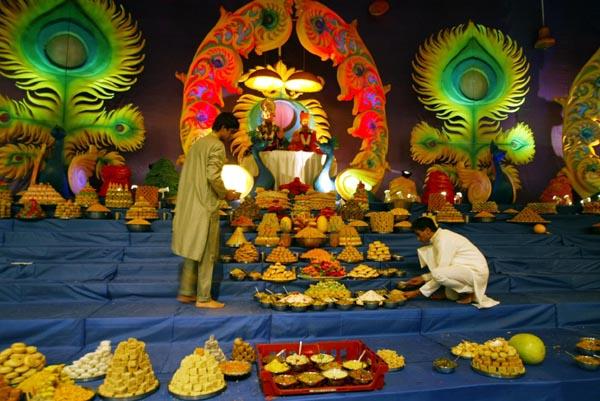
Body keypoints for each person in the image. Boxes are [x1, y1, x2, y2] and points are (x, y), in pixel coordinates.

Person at [172, 112, 240, 308]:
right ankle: (203, 297)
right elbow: (212, 176)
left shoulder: (198, 144)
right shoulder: (216, 146)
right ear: (224, 128)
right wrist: (226, 194)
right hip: (206, 205)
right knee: (208, 252)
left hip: (191, 204)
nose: (231, 137)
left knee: (194, 248)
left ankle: (186, 292)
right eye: (232, 132)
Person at [403, 217, 499, 308]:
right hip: (464, 271)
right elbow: (443, 269)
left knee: (437, 274)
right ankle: (461, 292)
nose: (418, 239)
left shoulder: (444, 240)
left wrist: (416, 293)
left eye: (418, 234)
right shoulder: (439, 238)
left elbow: (439, 272)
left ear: (427, 231)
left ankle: (470, 291)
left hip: (475, 273)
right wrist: (423, 278)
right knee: (451, 296)